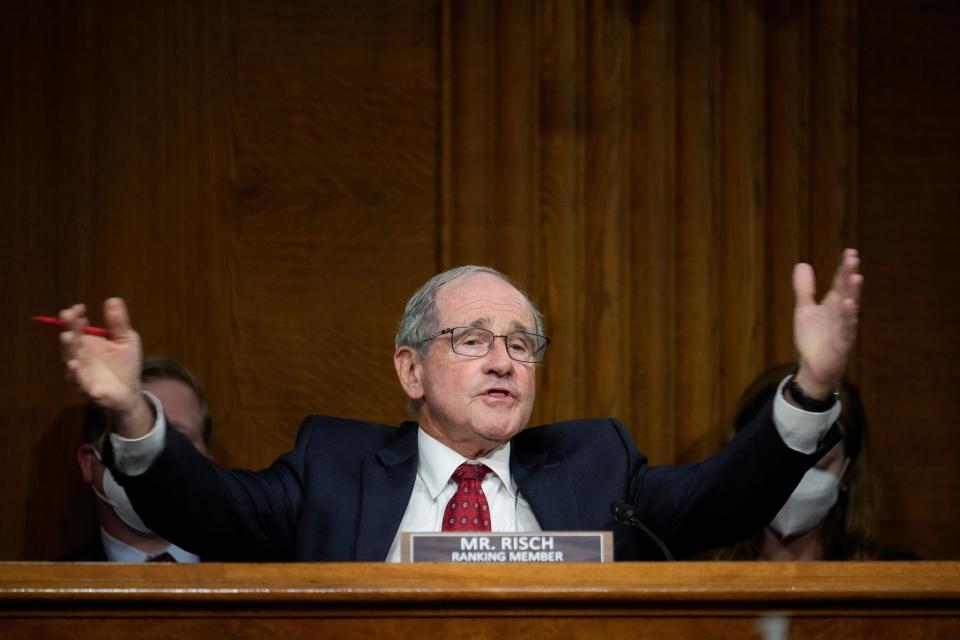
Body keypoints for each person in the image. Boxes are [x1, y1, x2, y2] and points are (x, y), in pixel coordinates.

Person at [56, 250, 863, 561]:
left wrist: (812, 391)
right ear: (411, 369)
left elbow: (721, 499)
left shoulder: (595, 465)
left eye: (522, 344)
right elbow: (211, 512)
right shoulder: (333, 468)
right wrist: (132, 415)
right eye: (472, 340)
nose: (504, 360)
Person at [711, 364, 917, 561]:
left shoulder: (901, 583)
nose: (795, 479)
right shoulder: (697, 580)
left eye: (819, 462)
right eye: (778, 461)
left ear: (847, 471)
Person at [60, 356, 213, 562]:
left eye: (178, 439)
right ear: (89, 463)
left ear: (209, 462)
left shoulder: (261, 579)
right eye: (132, 440)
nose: (156, 462)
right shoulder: (43, 590)